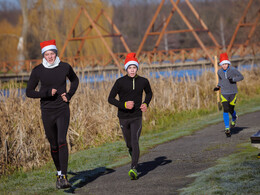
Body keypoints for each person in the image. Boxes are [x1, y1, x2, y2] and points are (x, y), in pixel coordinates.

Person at [26, 40, 79, 189]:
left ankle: (63, 176)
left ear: (56, 53)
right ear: (44, 55)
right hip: (47, 111)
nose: (50, 56)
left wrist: (69, 95)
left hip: (62, 109)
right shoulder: (38, 70)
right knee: (54, 144)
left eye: (52, 53)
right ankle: (59, 172)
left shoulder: (64, 67)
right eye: (47, 54)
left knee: (62, 140)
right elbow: (29, 92)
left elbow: (75, 80)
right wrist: (46, 93)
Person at [108, 53, 153, 180]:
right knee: (129, 144)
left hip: (137, 116)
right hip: (123, 117)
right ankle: (133, 154)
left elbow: (149, 93)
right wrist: (124, 104)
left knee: (135, 141)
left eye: (134, 67)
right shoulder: (120, 82)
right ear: (126, 69)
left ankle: (133, 168)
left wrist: (145, 103)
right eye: (130, 68)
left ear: (137, 68)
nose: (132, 70)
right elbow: (110, 99)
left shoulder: (143, 81)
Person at [214, 52, 244, 137]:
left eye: (226, 64)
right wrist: (218, 86)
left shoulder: (233, 70)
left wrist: (234, 79)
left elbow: (241, 77)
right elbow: (221, 81)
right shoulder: (219, 72)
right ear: (221, 65)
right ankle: (227, 128)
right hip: (224, 93)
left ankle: (234, 117)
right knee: (225, 109)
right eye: (223, 64)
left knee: (231, 109)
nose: (224, 66)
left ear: (228, 63)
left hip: (233, 93)